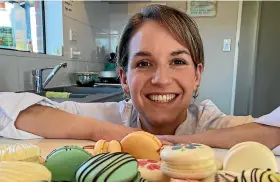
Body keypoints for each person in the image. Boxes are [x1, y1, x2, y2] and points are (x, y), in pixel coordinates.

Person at [0, 4, 279, 154]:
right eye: (144, 63)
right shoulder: (113, 117)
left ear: (197, 75)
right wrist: (110, 133)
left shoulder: (210, 121)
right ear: (123, 77)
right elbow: (8, 111)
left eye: (178, 61)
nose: (161, 78)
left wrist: (188, 141)